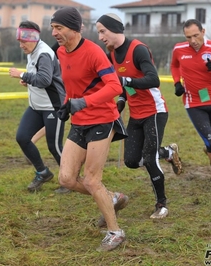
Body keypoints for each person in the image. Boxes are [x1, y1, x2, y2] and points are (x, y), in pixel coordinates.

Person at [51, 7, 129, 252]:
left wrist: (83, 102)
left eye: (59, 28)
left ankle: (115, 232)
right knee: (66, 178)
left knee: (93, 180)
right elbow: (74, 85)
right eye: (53, 27)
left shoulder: (94, 52)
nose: (54, 32)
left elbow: (115, 86)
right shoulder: (61, 52)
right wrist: (67, 105)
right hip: (79, 121)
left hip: (102, 120)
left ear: (73, 28)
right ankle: (113, 198)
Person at [96, 13, 182, 220]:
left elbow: (153, 80)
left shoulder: (138, 49)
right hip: (135, 113)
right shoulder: (111, 54)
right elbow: (121, 85)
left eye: (102, 31)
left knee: (150, 159)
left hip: (155, 111)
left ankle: (162, 204)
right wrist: (122, 100)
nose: (100, 37)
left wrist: (125, 80)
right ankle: (168, 152)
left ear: (114, 28)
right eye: (98, 32)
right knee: (132, 161)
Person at [170, 19, 211, 190]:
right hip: (193, 104)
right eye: (188, 37)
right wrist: (177, 83)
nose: (193, 40)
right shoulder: (179, 49)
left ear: (203, 31)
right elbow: (174, 65)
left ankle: (210, 151)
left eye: (195, 35)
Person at [9, 20, 68, 193]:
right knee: (22, 138)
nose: (21, 45)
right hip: (36, 107)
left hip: (53, 107)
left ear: (33, 39)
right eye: (19, 41)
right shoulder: (32, 51)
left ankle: (70, 179)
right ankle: (43, 172)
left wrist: (21, 74)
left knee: (54, 146)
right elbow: (40, 78)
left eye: (23, 41)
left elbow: (44, 80)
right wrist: (27, 80)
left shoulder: (43, 53)